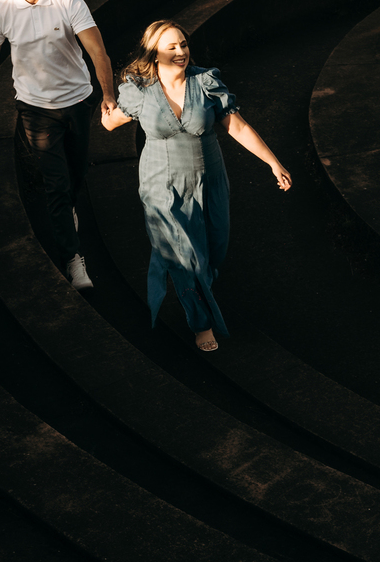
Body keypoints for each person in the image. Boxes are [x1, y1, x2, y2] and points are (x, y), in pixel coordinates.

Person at [102, 20, 291, 351]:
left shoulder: (204, 81)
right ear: (154, 53)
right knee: (185, 256)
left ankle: (200, 288)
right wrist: (107, 114)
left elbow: (238, 126)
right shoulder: (140, 90)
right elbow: (112, 120)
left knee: (214, 249)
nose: (180, 52)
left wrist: (273, 162)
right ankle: (201, 322)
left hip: (210, 180)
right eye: (171, 47)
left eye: (184, 45)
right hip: (162, 186)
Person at [0, 0, 117, 290]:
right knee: (56, 184)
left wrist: (108, 95)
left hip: (78, 101)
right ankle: (73, 260)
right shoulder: (0, 11)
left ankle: (67, 210)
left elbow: (98, 52)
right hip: (35, 110)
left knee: (77, 172)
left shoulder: (67, 0)